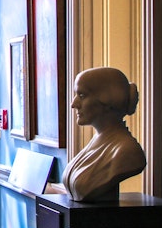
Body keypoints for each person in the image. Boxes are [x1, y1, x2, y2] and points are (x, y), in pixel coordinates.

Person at [62, 67, 146, 202]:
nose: (74, 104)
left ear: (108, 100)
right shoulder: (97, 141)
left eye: (82, 95)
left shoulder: (127, 151)